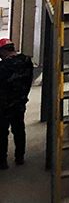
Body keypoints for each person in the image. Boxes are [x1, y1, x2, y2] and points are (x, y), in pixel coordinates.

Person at [0, 38, 32, 169]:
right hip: (20, 102)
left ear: (3, 51)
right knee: (19, 129)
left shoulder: (3, 67)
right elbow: (28, 81)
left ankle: (2, 161)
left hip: (4, 105)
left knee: (2, 132)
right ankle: (20, 157)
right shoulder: (26, 61)